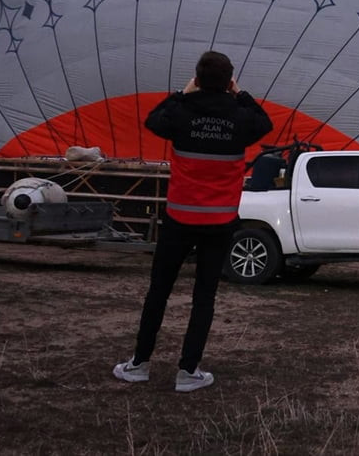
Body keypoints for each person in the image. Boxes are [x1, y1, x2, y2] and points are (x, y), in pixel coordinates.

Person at [113, 51, 272, 392]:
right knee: (204, 297)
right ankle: (188, 371)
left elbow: (153, 121)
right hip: (220, 222)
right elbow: (265, 124)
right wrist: (239, 94)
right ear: (229, 81)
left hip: (179, 219)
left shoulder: (182, 113)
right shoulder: (241, 117)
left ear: (197, 80)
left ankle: (139, 364)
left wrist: (182, 94)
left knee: (159, 291)